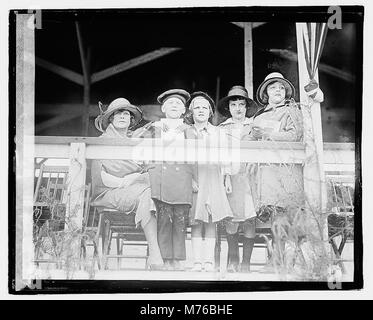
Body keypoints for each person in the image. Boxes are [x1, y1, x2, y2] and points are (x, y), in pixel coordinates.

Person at [91, 97, 163, 269]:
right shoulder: (101, 141)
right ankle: (155, 253)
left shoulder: (136, 141)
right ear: (110, 118)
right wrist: (126, 180)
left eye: (126, 113)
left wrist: (137, 177)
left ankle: (167, 254)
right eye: (118, 113)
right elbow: (102, 177)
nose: (122, 116)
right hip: (110, 191)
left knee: (159, 191)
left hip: (136, 188)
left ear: (131, 120)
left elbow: (147, 167)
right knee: (148, 194)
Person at [145, 89, 194, 271]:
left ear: (184, 111)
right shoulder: (154, 128)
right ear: (163, 108)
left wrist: (194, 178)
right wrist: (152, 126)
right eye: (170, 103)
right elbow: (137, 141)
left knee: (180, 219)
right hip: (161, 179)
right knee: (164, 219)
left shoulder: (189, 130)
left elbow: (199, 154)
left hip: (182, 179)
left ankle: (177, 259)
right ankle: (165, 258)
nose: (174, 106)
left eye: (178, 104)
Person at [185, 92, 234, 272]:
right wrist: (189, 178)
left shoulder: (217, 132)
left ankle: (209, 261)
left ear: (210, 112)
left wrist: (227, 177)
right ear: (191, 112)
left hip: (213, 176)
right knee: (196, 219)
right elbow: (181, 158)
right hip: (195, 177)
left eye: (204, 107)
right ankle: (197, 261)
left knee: (211, 219)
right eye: (197, 107)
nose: (201, 110)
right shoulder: (186, 132)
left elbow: (226, 156)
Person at [217, 85, 260, 273]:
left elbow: (262, 148)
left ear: (246, 106)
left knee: (250, 218)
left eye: (241, 104)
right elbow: (219, 155)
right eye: (234, 104)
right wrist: (225, 176)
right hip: (231, 177)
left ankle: (246, 263)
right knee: (231, 219)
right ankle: (233, 259)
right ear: (229, 108)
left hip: (251, 178)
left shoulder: (255, 127)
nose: (238, 108)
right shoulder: (221, 128)